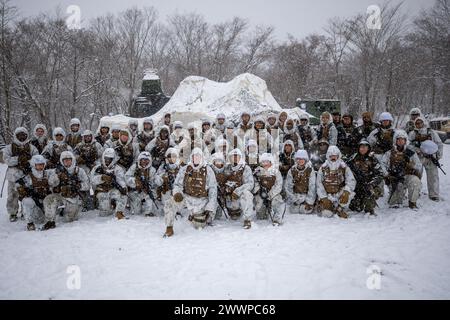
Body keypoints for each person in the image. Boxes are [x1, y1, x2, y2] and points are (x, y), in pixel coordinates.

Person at [163, 148, 217, 236]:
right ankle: (169, 228)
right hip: (187, 197)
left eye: (198, 156)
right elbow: (177, 184)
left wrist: (209, 207)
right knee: (169, 203)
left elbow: (213, 190)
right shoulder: (185, 169)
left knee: (199, 225)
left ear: (202, 158)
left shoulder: (208, 170)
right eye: (194, 156)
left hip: (201, 200)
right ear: (191, 157)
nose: (196, 158)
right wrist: (177, 193)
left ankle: (195, 216)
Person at [43, 151, 90, 229]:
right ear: (62, 161)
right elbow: (51, 183)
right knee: (49, 200)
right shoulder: (57, 170)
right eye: (65, 160)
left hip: (73, 197)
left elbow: (87, 185)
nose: (67, 161)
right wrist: (58, 176)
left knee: (70, 219)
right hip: (60, 195)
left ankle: (63, 211)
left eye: (69, 159)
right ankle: (50, 221)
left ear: (72, 160)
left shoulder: (79, 171)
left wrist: (78, 186)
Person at [3, 127, 39, 222]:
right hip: (13, 174)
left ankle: (25, 211)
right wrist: (18, 159)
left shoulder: (31, 147)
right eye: (20, 135)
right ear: (16, 136)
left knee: (26, 193)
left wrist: (27, 162)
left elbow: (37, 159)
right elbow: (6, 159)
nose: (22, 137)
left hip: (26, 174)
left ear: (26, 135)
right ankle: (13, 212)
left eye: (24, 135)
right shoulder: (9, 148)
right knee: (12, 195)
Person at [382, 130, 422, 209]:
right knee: (395, 203)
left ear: (405, 141)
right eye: (398, 139)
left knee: (415, 181)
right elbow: (382, 165)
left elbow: (419, 166)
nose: (400, 141)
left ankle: (412, 202)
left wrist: (412, 166)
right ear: (395, 141)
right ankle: (396, 197)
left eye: (402, 139)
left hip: (407, 176)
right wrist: (387, 174)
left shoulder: (410, 153)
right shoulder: (389, 153)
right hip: (394, 178)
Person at [408, 117, 443, 201]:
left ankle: (434, 194)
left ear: (423, 123)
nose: (419, 124)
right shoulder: (412, 133)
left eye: (420, 122)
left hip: (431, 158)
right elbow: (408, 145)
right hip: (417, 158)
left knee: (433, 176)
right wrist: (417, 150)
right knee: (416, 176)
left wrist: (438, 155)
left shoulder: (431, 132)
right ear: (415, 124)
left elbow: (439, 144)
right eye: (417, 123)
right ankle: (415, 193)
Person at [316, 146, 356, 219]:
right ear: (328, 156)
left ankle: (340, 208)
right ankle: (332, 208)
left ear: (338, 156)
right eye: (331, 156)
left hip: (340, 193)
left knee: (348, 195)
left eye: (335, 155)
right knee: (327, 214)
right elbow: (319, 184)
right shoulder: (323, 168)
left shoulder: (343, 167)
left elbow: (351, 180)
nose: (333, 157)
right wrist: (324, 197)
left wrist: (346, 191)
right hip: (327, 195)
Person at [347, 140, 384, 216]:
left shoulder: (373, 159)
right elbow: (345, 168)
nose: (363, 149)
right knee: (355, 207)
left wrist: (371, 184)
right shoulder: (353, 158)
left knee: (368, 207)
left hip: (369, 186)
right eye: (361, 147)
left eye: (365, 147)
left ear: (368, 148)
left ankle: (370, 202)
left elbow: (380, 174)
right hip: (357, 186)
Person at [221, 149, 255, 228]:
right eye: (233, 157)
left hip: (239, 197)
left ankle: (247, 220)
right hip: (229, 198)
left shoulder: (245, 168)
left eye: (237, 157)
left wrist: (238, 191)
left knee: (247, 194)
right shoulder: (226, 168)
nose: (235, 158)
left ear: (241, 158)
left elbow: (250, 184)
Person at [16, 155, 52, 230]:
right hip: (34, 202)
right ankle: (30, 223)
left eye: (42, 164)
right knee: (27, 201)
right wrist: (27, 192)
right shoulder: (29, 176)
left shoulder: (47, 174)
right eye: (38, 165)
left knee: (43, 218)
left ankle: (51, 218)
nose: (40, 167)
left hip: (44, 200)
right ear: (34, 165)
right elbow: (18, 185)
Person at [91, 148, 128, 219]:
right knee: (104, 213)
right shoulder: (97, 168)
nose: (107, 160)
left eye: (110, 159)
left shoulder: (118, 169)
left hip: (113, 189)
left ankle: (119, 212)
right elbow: (92, 180)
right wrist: (101, 178)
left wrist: (123, 187)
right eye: (106, 158)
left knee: (123, 194)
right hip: (101, 190)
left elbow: (121, 179)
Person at [125, 151, 161, 217]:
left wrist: (149, 186)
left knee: (150, 199)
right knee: (136, 212)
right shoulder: (134, 167)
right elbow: (126, 177)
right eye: (143, 159)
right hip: (135, 191)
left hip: (147, 191)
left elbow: (155, 182)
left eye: (147, 160)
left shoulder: (152, 170)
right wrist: (135, 181)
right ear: (140, 160)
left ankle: (148, 212)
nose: (144, 162)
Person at [253, 153, 284, 226]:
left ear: (271, 162)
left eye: (267, 162)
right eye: (263, 162)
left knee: (277, 200)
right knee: (261, 216)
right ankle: (265, 210)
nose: (265, 164)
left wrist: (270, 194)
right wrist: (259, 191)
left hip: (273, 194)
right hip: (261, 194)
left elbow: (278, 185)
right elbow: (254, 182)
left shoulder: (276, 171)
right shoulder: (257, 171)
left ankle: (277, 218)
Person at [284, 150, 316, 215]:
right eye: (298, 159)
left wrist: (309, 201)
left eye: (302, 159)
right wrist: (293, 199)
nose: (300, 161)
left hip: (306, 195)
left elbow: (312, 186)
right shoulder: (292, 170)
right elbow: (288, 186)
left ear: (306, 160)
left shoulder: (310, 170)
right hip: (295, 196)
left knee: (304, 210)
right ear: (296, 160)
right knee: (293, 211)